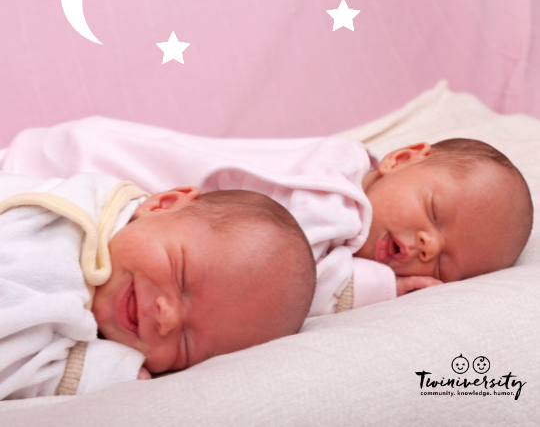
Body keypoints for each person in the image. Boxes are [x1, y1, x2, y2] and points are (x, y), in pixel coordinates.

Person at [0, 117, 534, 315]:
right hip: (68, 173)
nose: (426, 246)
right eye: (435, 213)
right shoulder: (337, 195)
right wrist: (382, 288)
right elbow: (283, 278)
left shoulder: (344, 183)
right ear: (399, 159)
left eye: (446, 266)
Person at [0, 170, 316, 400]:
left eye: (186, 343)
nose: (167, 318)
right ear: (162, 204)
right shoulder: (69, 227)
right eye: (181, 278)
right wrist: (82, 373)